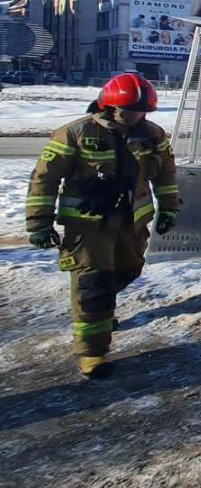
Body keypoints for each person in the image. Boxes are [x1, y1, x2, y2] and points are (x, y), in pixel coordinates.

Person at [26, 72, 180, 378]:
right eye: (130, 111)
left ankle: (102, 309)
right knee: (92, 284)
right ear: (110, 107)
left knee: (127, 269)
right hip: (88, 225)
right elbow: (43, 180)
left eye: (142, 112)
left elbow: (166, 174)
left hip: (131, 223)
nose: (136, 117)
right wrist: (38, 224)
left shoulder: (152, 135)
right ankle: (92, 353)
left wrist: (169, 209)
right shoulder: (75, 133)